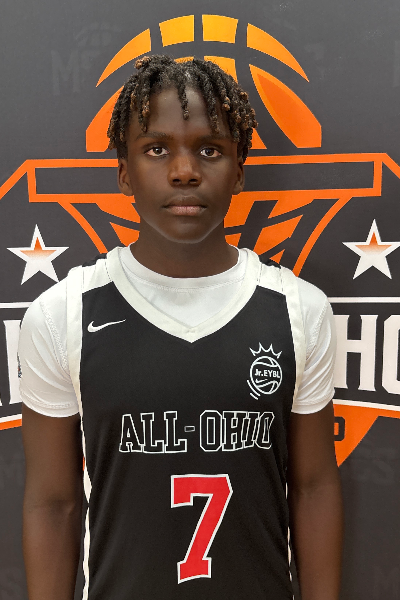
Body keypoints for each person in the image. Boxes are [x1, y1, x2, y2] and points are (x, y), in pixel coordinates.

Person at [19, 55, 343, 600]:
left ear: (239, 170)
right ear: (124, 172)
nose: (184, 171)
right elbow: (54, 504)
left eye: (210, 149)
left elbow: (312, 488)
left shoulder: (298, 309)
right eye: (157, 149)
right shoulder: (61, 313)